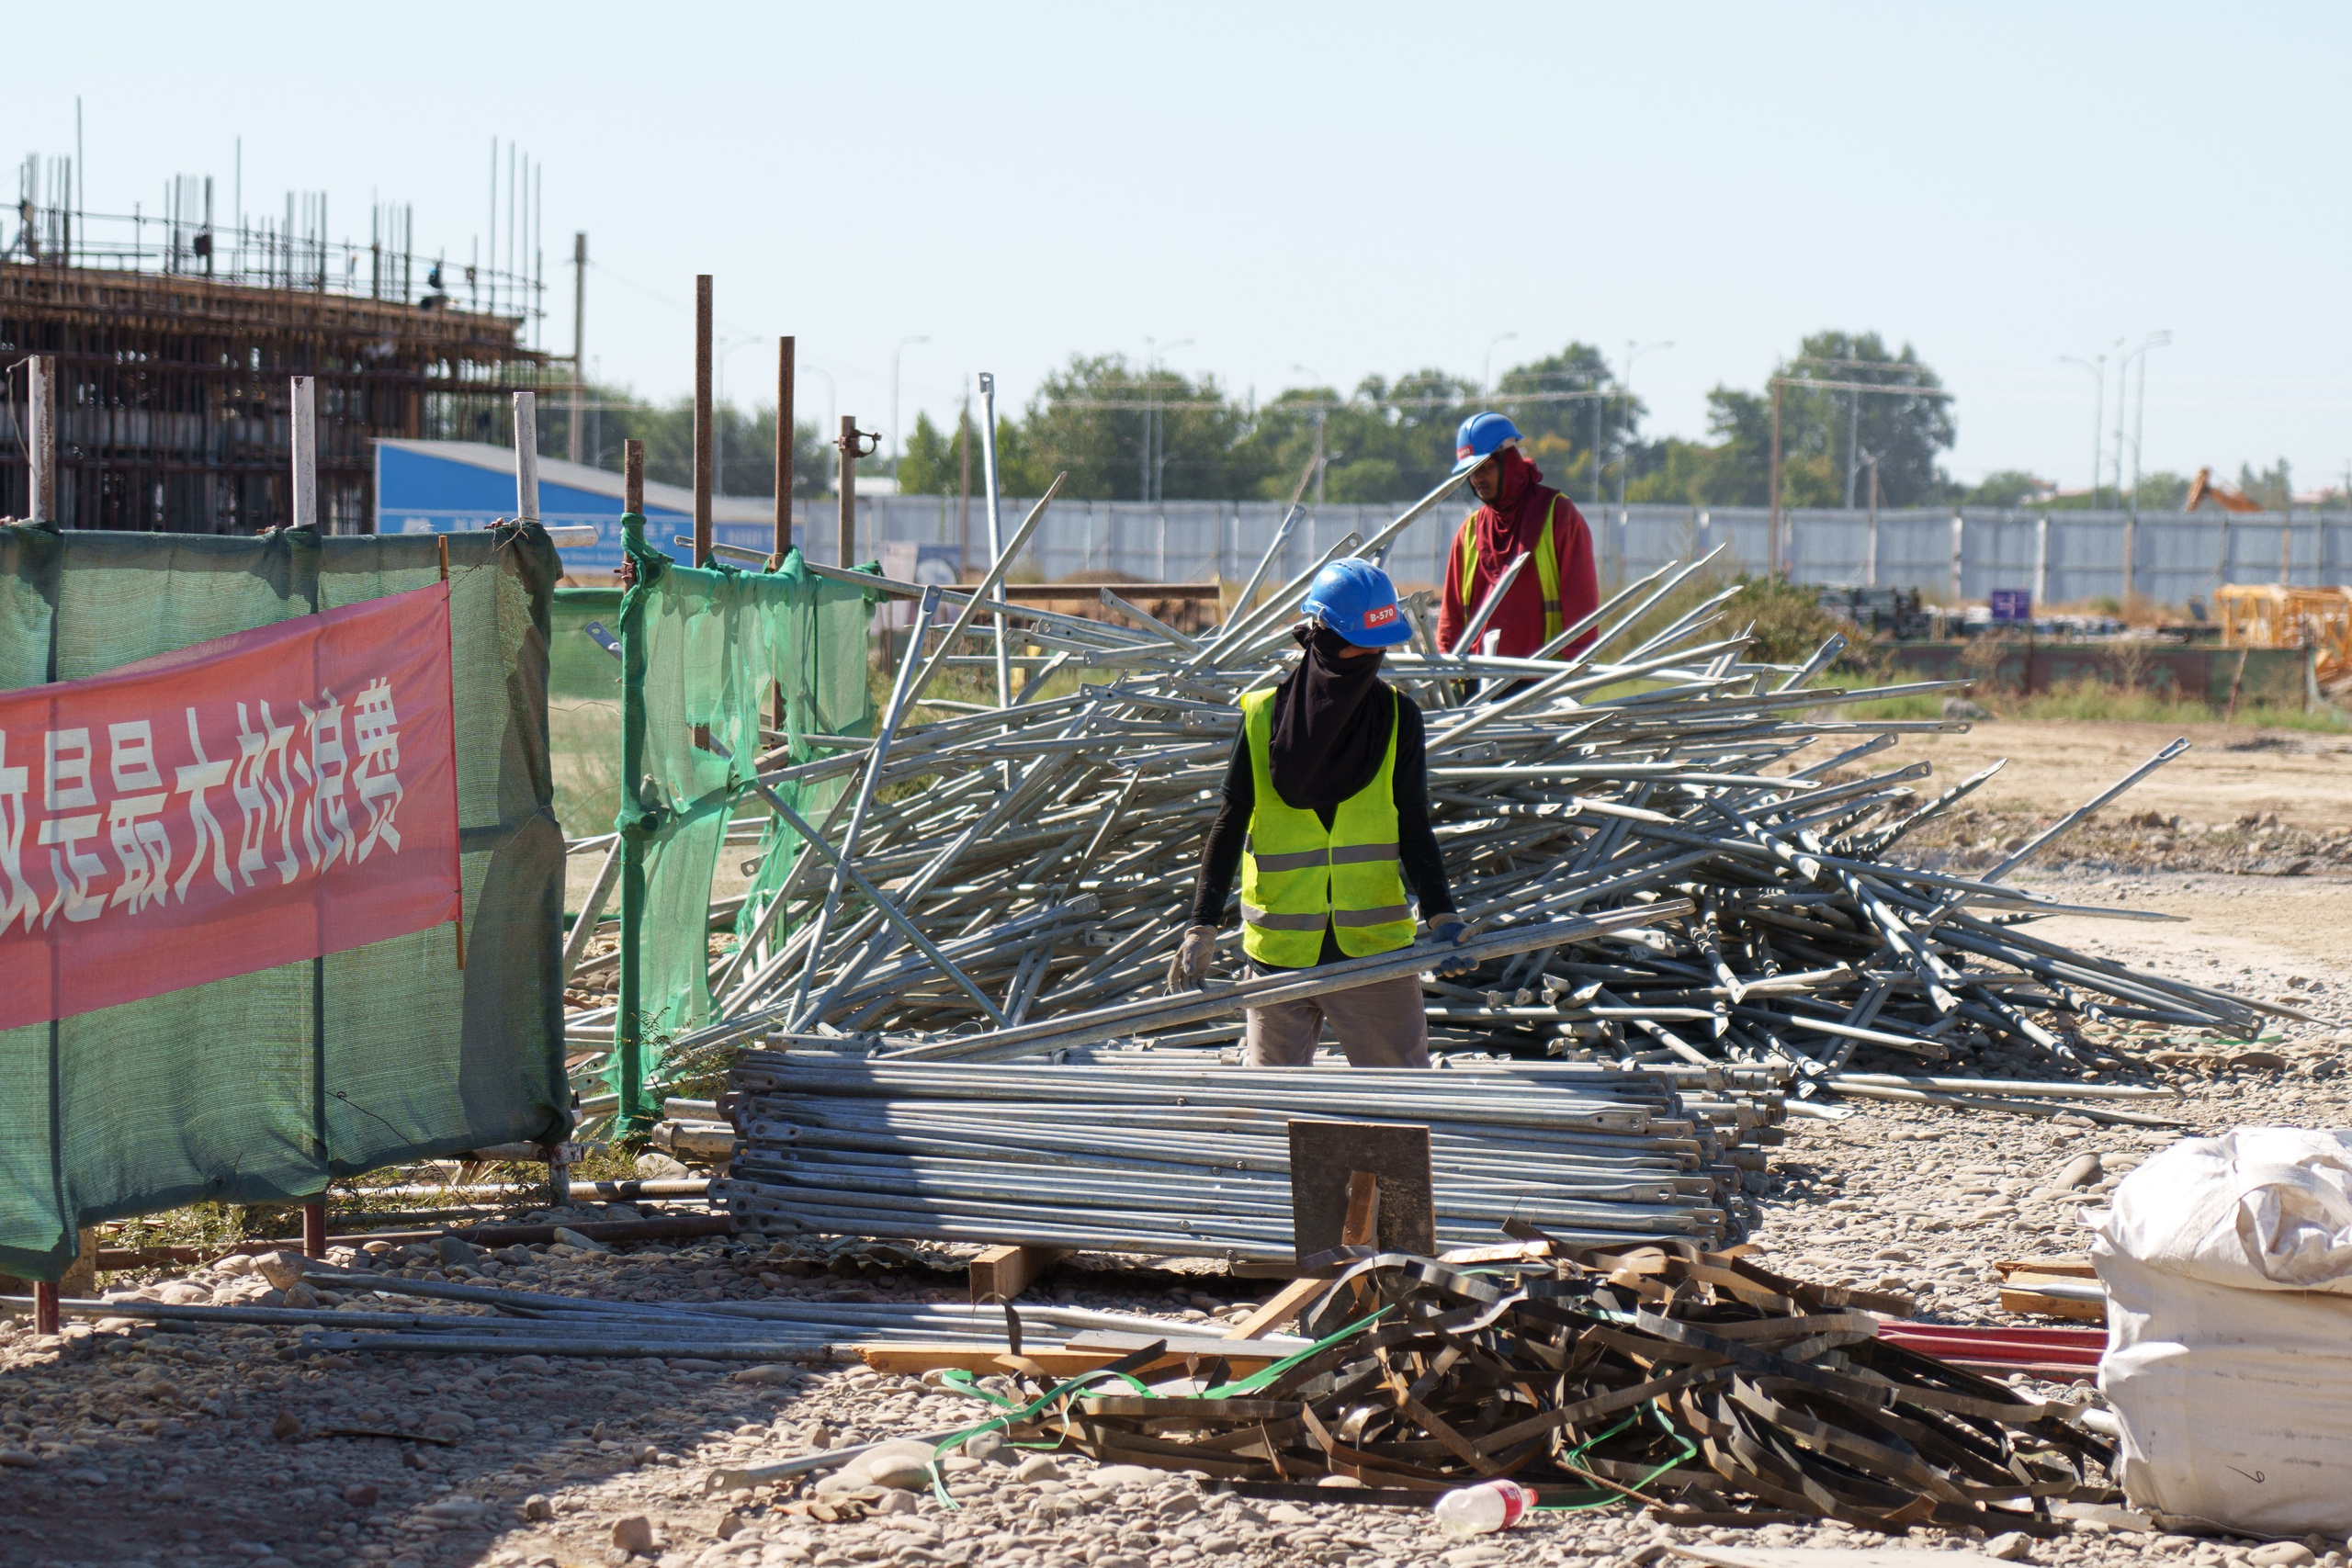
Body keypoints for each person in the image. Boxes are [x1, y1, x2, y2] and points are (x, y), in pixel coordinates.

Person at [1165, 559, 1476, 1067]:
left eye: (1379, 647)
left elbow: (1414, 824)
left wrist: (1442, 913)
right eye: (1359, 644)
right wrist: (1202, 923)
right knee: (1274, 1115)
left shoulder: (1398, 719)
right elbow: (1230, 821)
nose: (1371, 657)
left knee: (1403, 1109)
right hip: (1278, 960)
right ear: (1323, 638)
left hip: (1375, 958)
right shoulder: (1263, 716)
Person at [1436, 412, 1600, 660]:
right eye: (1471, 471)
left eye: (1485, 467)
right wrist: (1447, 678)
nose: (1477, 478)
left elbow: (1583, 610)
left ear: (1509, 461)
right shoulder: (1468, 533)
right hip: (1478, 682)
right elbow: (1451, 620)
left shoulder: (1558, 516)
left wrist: (1573, 673)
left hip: (1543, 682)